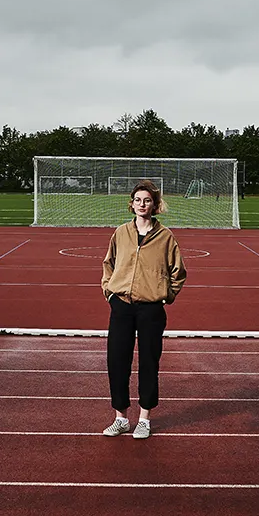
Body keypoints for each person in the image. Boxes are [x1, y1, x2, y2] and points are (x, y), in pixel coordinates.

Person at [101, 183, 185, 438]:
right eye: (137, 200)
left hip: (151, 309)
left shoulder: (166, 237)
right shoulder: (121, 233)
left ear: (154, 205)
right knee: (117, 361)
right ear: (131, 203)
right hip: (122, 306)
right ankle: (121, 417)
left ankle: (145, 418)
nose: (141, 204)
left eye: (146, 200)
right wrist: (110, 292)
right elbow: (109, 263)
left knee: (149, 362)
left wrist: (165, 295)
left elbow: (178, 272)